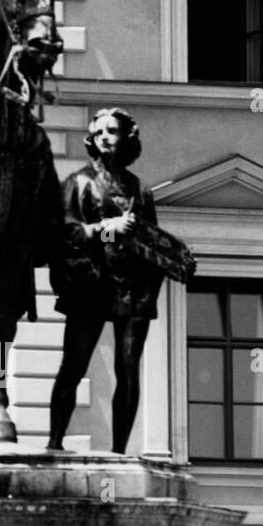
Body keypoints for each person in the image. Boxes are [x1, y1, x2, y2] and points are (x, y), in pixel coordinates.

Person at [48, 107, 184, 454]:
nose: (106, 136)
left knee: (128, 370)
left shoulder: (140, 190)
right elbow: (64, 235)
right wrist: (105, 229)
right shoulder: (78, 182)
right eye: (100, 131)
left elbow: (148, 239)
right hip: (90, 285)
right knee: (74, 366)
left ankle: (120, 452)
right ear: (92, 139)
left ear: (127, 139)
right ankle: (54, 442)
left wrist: (170, 256)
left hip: (133, 287)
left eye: (114, 131)